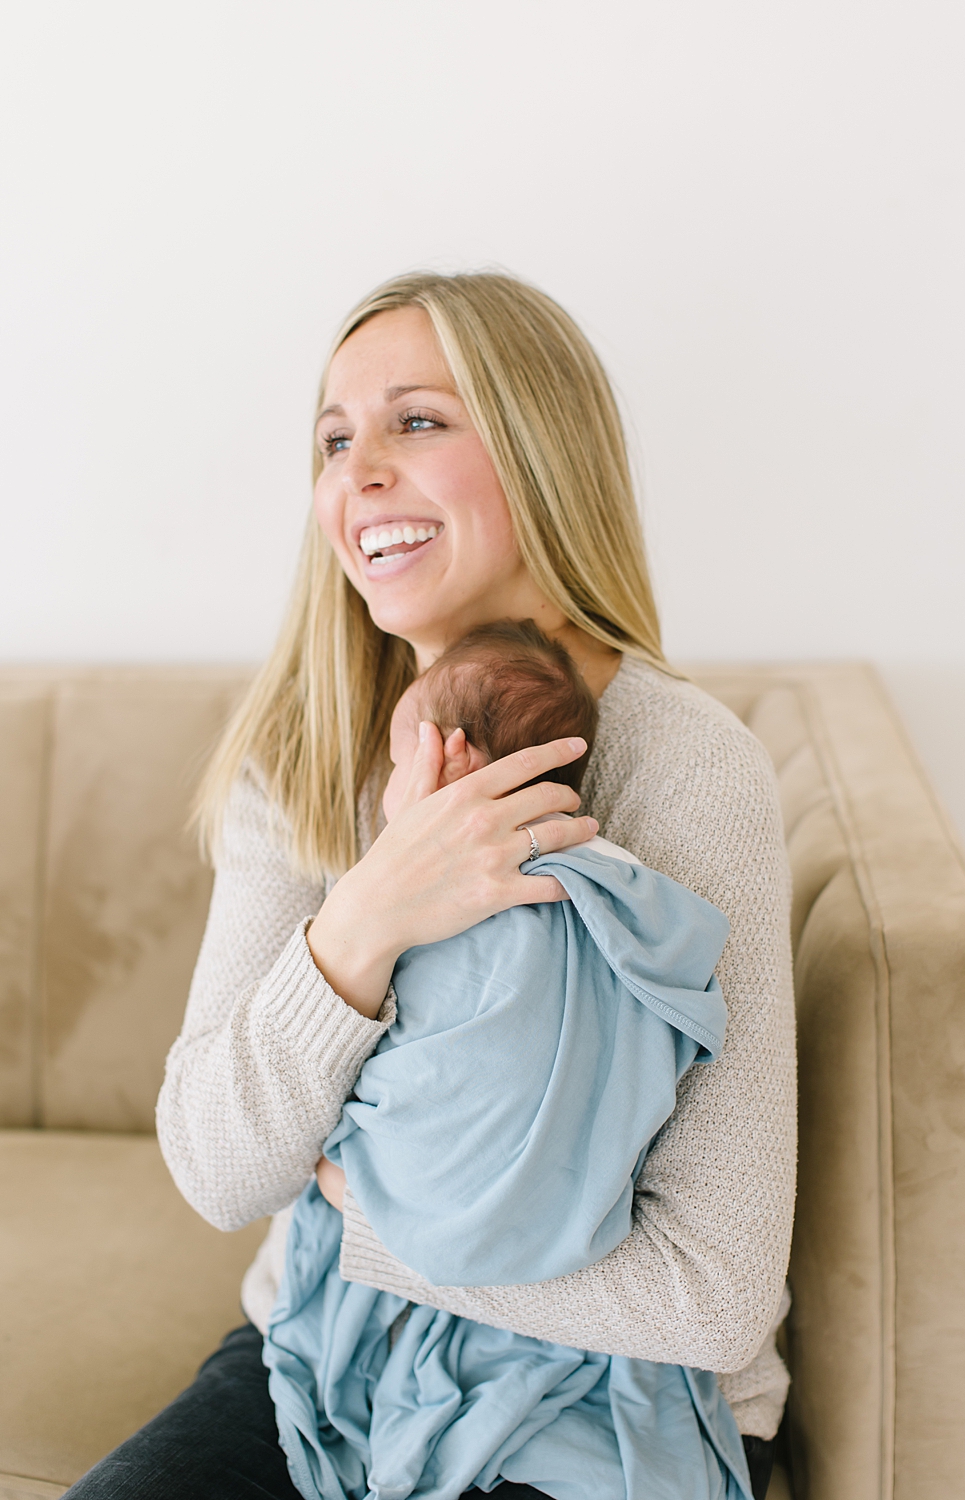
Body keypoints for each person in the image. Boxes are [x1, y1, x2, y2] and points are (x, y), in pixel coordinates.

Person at [64, 271, 795, 1500]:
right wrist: (370, 911)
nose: (358, 475)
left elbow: (714, 1298)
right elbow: (217, 1168)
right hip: (323, 1362)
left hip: (610, 1401)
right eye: (334, 439)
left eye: (415, 421)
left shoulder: (688, 770)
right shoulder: (297, 761)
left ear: (537, 449)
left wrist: (370, 1224)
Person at [265, 617, 748, 1498]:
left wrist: (345, 1188)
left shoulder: (697, 765)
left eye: (394, 763)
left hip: (423, 1238)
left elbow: (385, 1081)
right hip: (579, 1228)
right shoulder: (628, 899)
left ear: (442, 760)